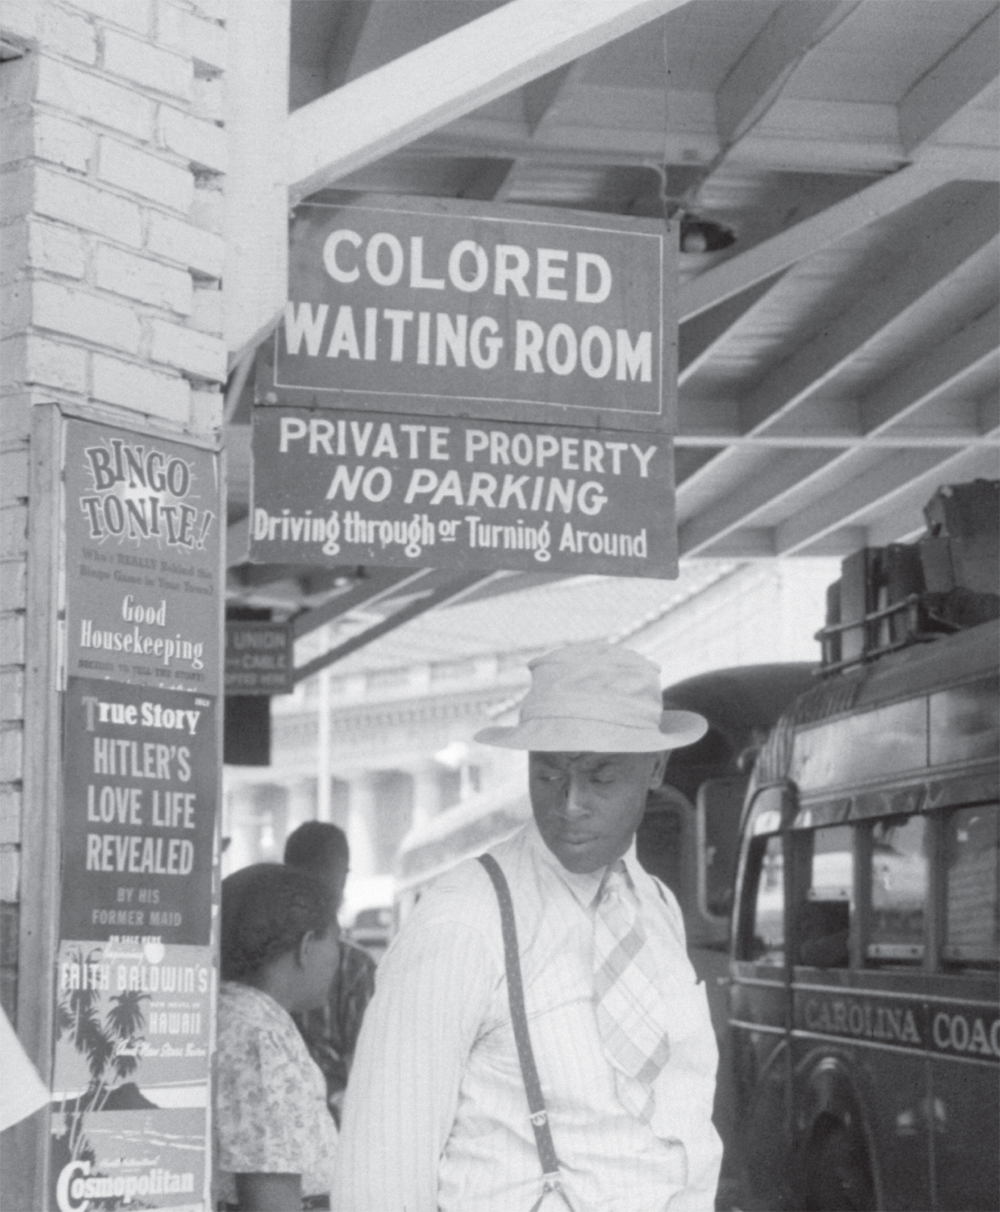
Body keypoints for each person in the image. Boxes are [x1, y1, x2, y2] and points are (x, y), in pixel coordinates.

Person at [333, 642, 722, 1212]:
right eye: (548, 776)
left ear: (655, 768)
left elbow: (681, 1124)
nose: (570, 804)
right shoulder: (465, 918)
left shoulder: (657, 907)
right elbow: (380, 1176)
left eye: (600, 777)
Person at [214, 863, 339, 1212]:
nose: (337, 958)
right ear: (306, 945)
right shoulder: (261, 1038)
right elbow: (270, 1198)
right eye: (335, 939)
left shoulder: (231, 1014)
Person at [283, 822, 377, 1125]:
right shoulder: (356, 966)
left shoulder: (262, 951)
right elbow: (368, 1070)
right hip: (334, 1127)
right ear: (342, 876)